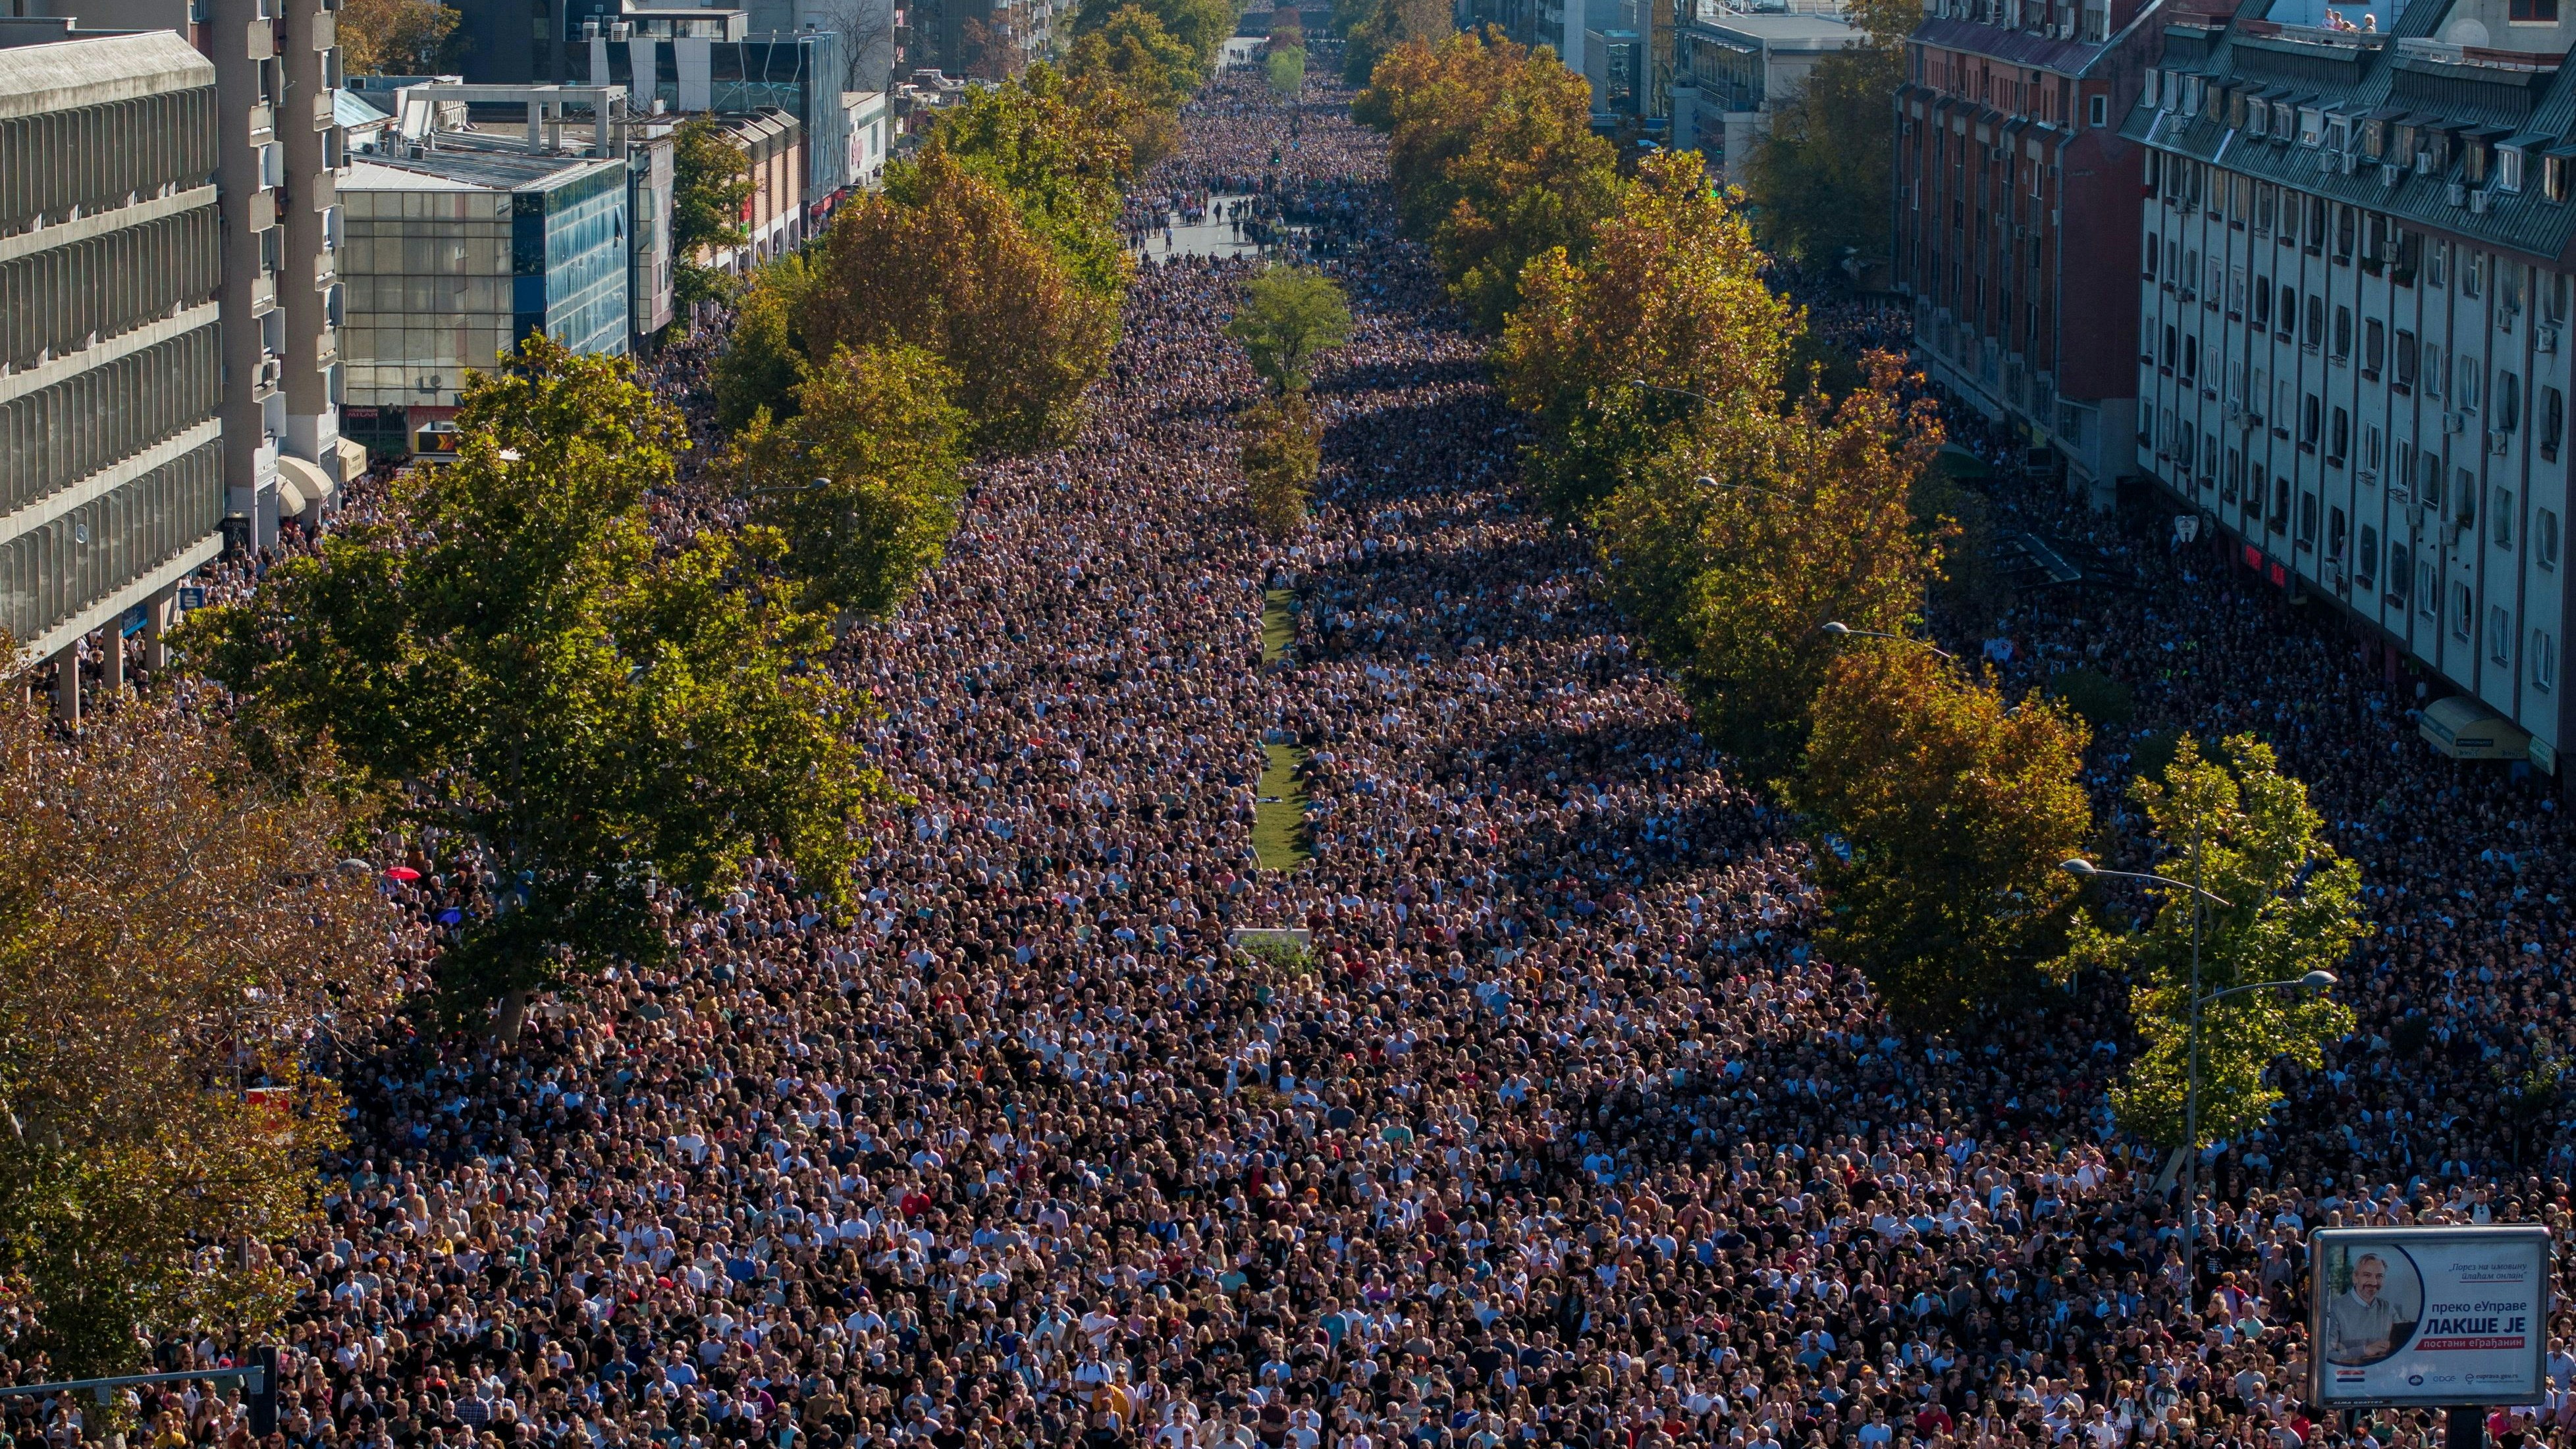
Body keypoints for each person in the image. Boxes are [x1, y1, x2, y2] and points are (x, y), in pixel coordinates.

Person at [2326, 1253, 2406, 1364]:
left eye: (2379, 1276)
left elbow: (2403, 1344)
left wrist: (2391, 1345)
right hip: (2349, 1377)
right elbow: (2327, 1355)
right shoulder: (2336, 1308)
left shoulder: (2387, 1308)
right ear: (2355, 1278)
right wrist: (2364, 1350)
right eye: (2367, 1275)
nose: (2374, 1282)